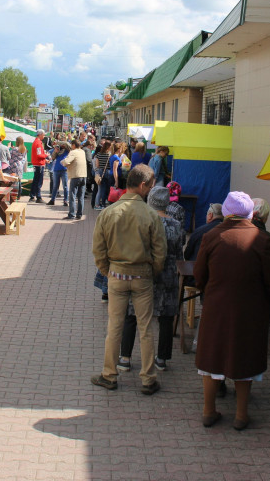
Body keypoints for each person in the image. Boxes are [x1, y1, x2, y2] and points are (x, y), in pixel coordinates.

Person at [194, 191, 270, 430]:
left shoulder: (211, 236)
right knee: (245, 360)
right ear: (250, 213)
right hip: (250, 310)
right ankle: (241, 415)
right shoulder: (262, 239)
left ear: (226, 212)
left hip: (216, 308)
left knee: (211, 360)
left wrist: (211, 290)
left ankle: (208, 411)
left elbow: (199, 275)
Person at [91, 164, 167, 395]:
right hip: (142, 276)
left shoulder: (109, 212)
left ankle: (109, 375)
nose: (151, 189)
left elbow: (98, 249)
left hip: (116, 275)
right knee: (145, 328)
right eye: (151, 186)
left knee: (114, 326)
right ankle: (148, 378)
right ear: (143, 185)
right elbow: (159, 253)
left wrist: (108, 270)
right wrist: (151, 272)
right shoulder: (151, 215)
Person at [118, 186, 185, 373]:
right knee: (166, 317)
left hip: (142, 273)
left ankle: (125, 358)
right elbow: (179, 253)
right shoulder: (176, 226)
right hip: (168, 274)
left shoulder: (140, 222)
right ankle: (162, 359)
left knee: (131, 314)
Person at [62, 139, 87, 220]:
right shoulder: (82, 152)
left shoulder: (73, 152)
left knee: (72, 196)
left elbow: (66, 161)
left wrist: (64, 163)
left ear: (73, 145)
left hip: (76, 175)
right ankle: (79, 214)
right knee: (81, 196)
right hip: (84, 175)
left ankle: (72, 214)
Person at [48, 142, 69, 206]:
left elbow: (69, 145)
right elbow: (53, 158)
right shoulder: (56, 150)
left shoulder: (67, 150)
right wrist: (56, 151)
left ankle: (65, 200)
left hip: (64, 170)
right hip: (56, 170)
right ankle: (52, 200)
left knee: (65, 186)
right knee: (55, 186)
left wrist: (63, 144)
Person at [29, 129, 47, 203]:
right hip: (39, 164)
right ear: (40, 134)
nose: (44, 136)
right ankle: (38, 197)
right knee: (39, 181)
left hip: (37, 163)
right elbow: (39, 155)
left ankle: (32, 195)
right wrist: (46, 155)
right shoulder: (38, 143)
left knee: (35, 180)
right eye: (43, 134)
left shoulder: (36, 142)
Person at [94, 140, 112, 210]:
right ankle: (104, 203)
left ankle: (97, 204)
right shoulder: (109, 154)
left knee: (100, 189)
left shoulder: (98, 154)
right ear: (109, 147)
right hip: (108, 172)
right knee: (106, 189)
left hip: (100, 172)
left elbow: (97, 165)